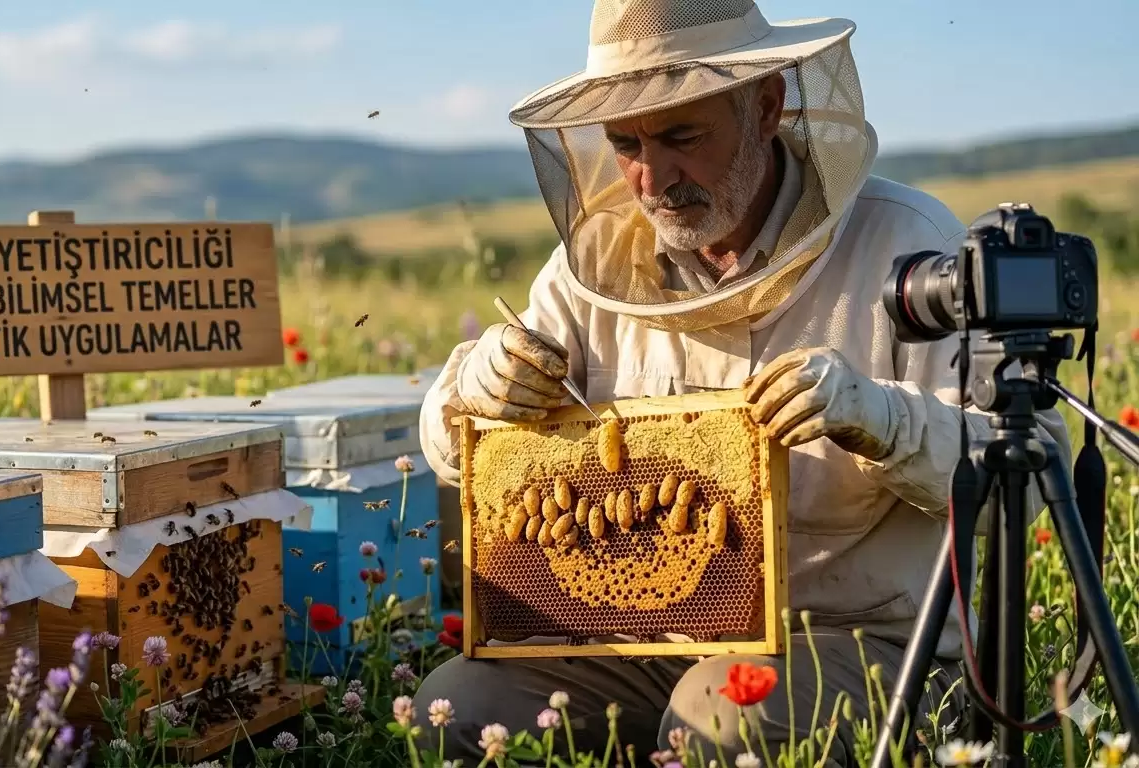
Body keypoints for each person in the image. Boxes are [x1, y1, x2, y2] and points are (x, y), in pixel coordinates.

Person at [414, 0, 1071, 764]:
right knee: (453, 707)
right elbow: (452, 450)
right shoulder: (589, 269)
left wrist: (881, 418)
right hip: (638, 643)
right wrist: (473, 392)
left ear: (766, 106)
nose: (652, 176)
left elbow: (1025, 470)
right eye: (625, 143)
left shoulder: (907, 245)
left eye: (682, 137)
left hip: (858, 639)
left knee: (720, 715)